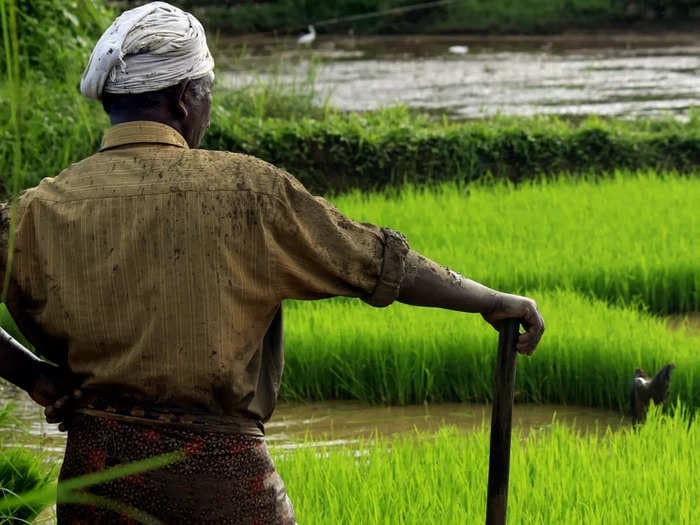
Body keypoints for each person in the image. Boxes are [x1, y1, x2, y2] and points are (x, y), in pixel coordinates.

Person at [0, 2, 545, 523]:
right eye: (207, 94)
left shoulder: (39, 209)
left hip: (96, 480)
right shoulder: (246, 190)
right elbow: (375, 260)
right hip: (219, 479)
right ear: (187, 98)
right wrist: (491, 300)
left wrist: (33, 377)